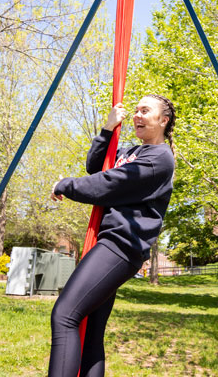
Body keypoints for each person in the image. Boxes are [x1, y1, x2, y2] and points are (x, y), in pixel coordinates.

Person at [48, 95, 176, 377]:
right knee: (92, 331)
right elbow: (96, 167)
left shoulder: (159, 158)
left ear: (163, 120)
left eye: (145, 111)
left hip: (120, 247)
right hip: (113, 244)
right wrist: (107, 129)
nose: (137, 116)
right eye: (136, 111)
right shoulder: (133, 152)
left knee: (65, 315)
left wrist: (64, 185)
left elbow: (109, 183)